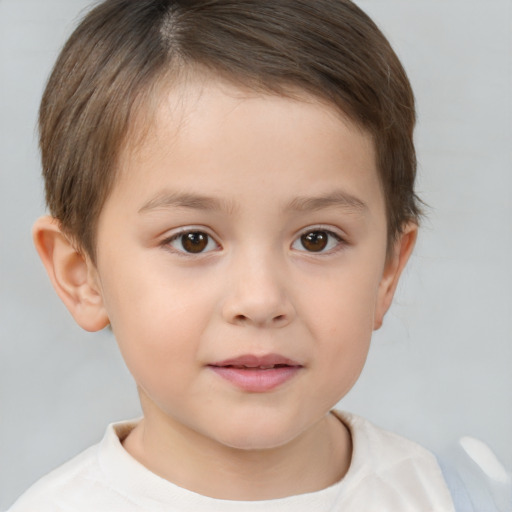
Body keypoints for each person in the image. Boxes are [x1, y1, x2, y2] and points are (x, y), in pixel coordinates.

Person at [7, 0, 458, 510]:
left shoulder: (446, 495)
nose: (261, 300)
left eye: (316, 239)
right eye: (192, 240)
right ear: (81, 275)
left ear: (387, 271)